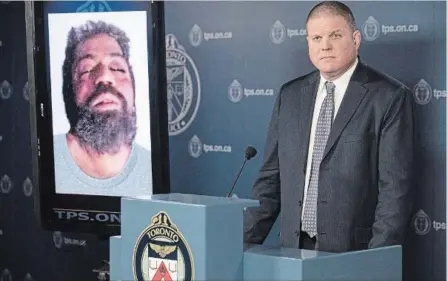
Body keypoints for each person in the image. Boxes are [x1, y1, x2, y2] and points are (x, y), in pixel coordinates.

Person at [243, 1, 415, 253]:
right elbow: (270, 180)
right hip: (293, 250)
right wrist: (234, 245)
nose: (325, 45)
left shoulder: (389, 97)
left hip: (354, 253)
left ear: (355, 38)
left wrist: (376, 261)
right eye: (316, 37)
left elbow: (395, 193)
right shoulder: (289, 95)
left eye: (335, 35)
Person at [53, 20, 152, 197]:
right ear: (70, 90)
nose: (105, 77)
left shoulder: (156, 171)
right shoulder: (42, 162)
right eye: (86, 70)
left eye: (117, 68)